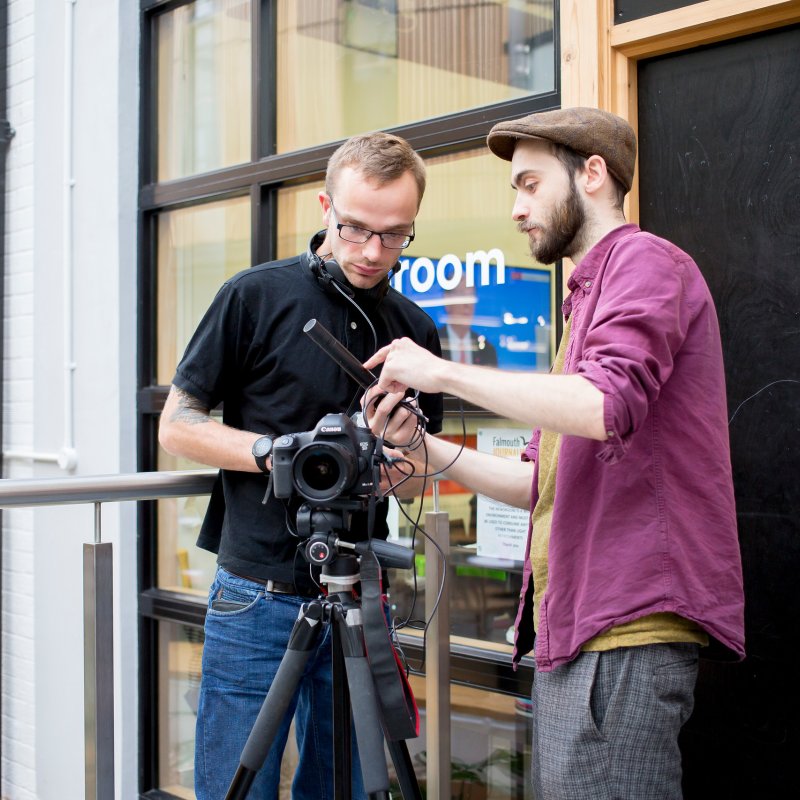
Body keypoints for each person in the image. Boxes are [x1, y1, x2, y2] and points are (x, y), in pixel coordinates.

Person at [363, 107, 745, 800]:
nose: (517, 208)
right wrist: (427, 451)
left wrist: (442, 373)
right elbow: (535, 480)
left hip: (626, 622)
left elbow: (606, 406)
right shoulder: (586, 303)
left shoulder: (646, 261)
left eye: (531, 184)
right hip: (579, 624)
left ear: (592, 174)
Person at [158, 131, 443, 800]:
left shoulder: (416, 332)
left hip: (357, 586)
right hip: (257, 591)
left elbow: (415, 471)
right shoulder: (254, 296)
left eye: (396, 235)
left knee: (337, 786)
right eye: (356, 229)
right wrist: (273, 452)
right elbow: (178, 426)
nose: (374, 252)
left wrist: (397, 453)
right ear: (324, 207)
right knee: (235, 786)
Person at [437, 276, 498, 366]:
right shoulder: (433, 343)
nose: (468, 304)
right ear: (447, 300)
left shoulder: (487, 349)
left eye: (471, 296)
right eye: (462, 295)